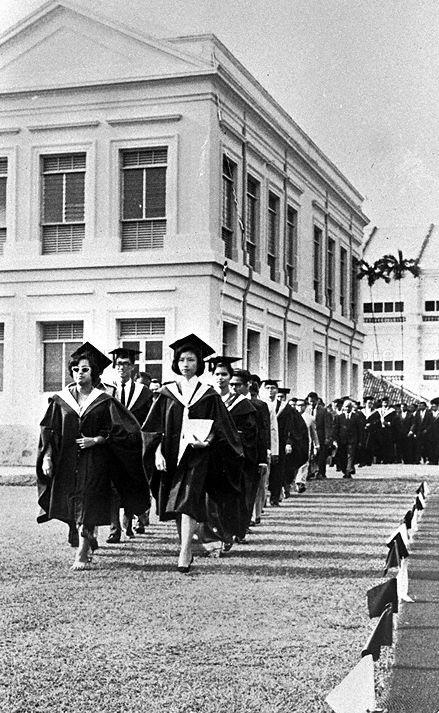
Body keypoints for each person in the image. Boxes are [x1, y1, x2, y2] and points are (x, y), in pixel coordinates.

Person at [36, 342, 150, 570]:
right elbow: (49, 430)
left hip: (95, 461)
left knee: (87, 502)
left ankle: (82, 552)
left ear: (94, 372)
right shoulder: (61, 400)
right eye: (76, 369)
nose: (80, 373)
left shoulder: (104, 400)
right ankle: (84, 540)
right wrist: (47, 455)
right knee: (71, 503)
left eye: (85, 369)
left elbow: (124, 430)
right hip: (66, 461)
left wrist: (97, 440)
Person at [141, 334, 243, 572]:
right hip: (170, 455)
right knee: (176, 502)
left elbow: (222, 428)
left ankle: (185, 551)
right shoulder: (167, 393)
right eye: (182, 360)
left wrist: (208, 441)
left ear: (200, 364)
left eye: (192, 360)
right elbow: (152, 429)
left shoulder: (208, 394)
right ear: (176, 363)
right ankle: (186, 543)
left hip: (197, 456)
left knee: (187, 500)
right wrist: (156, 453)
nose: (186, 364)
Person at [107, 347, 154, 539]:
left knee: (130, 485)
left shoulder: (144, 392)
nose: (122, 368)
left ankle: (127, 521)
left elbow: (149, 421)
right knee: (112, 487)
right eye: (119, 364)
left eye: (126, 364)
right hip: (111, 447)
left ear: (133, 367)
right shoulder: (107, 390)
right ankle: (114, 527)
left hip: (134, 448)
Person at [305, 392, 333, 479]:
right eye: (310, 402)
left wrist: (327, 437)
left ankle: (321, 472)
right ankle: (310, 472)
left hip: (321, 436)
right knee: (310, 454)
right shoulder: (306, 410)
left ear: (317, 401)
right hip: (310, 436)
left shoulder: (323, 410)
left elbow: (327, 425)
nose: (311, 403)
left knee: (321, 455)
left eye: (313, 401)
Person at [332, 399, 362, 478]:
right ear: (343, 407)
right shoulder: (339, 417)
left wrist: (359, 441)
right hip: (342, 440)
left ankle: (348, 471)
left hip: (352, 440)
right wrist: (335, 440)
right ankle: (345, 470)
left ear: (351, 407)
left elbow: (360, 430)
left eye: (349, 407)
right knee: (343, 456)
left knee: (350, 455)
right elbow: (335, 429)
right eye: (346, 407)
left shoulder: (356, 417)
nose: (347, 408)